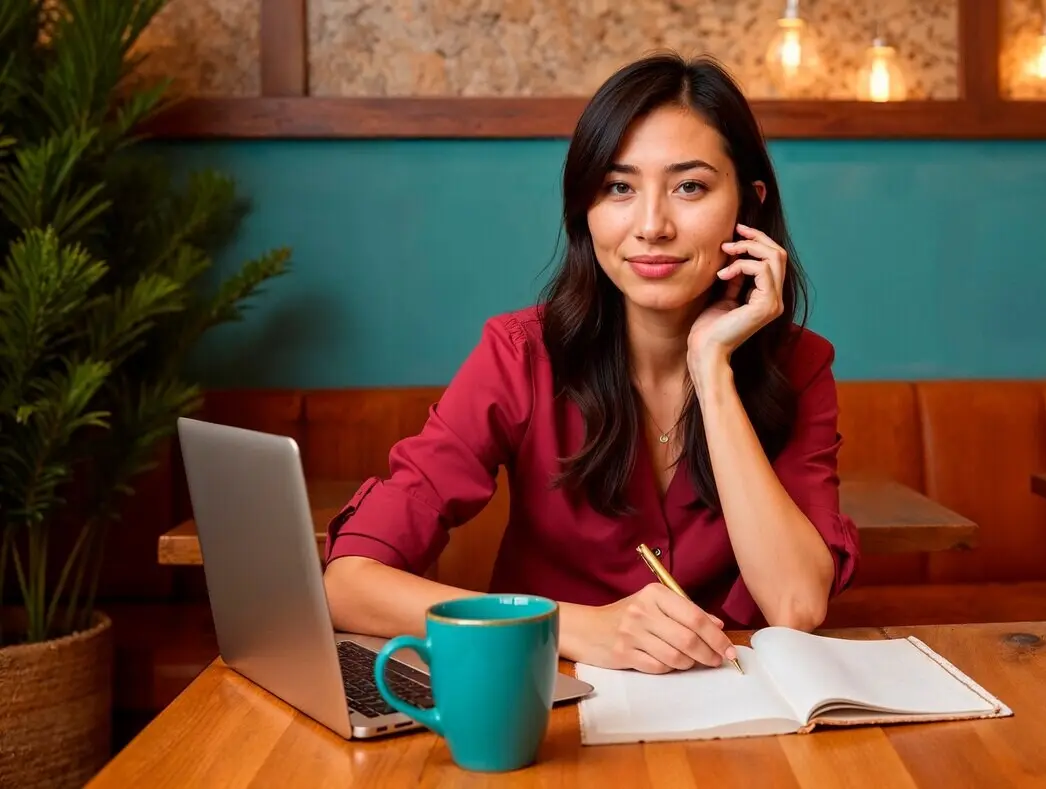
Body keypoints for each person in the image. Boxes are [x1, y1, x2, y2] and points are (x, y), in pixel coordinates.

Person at [322, 52, 860, 675]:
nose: (652, 225)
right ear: (587, 208)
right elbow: (350, 583)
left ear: (749, 204)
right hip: (543, 704)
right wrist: (573, 627)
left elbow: (795, 603)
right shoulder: (521, 354)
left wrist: (712, 372)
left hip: (732, 720)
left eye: (690, 186)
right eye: (619, 187)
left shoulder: (800, 366)